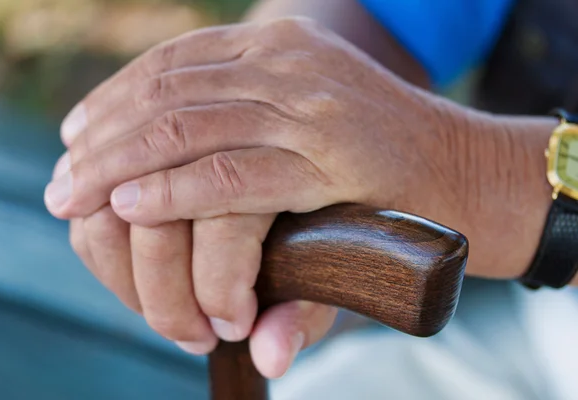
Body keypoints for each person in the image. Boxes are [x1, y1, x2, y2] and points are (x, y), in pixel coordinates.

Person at [43, 0, 578, 398]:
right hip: (539, 322)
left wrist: (471, 169)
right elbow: (382, 14)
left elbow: (468, 174)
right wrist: (263, 112)